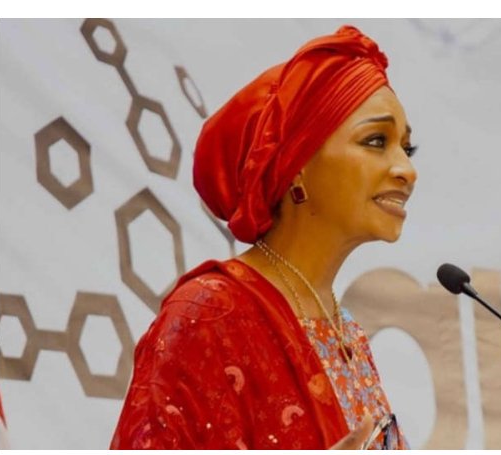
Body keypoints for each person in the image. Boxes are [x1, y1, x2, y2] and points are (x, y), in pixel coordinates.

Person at [109, 25, 417, 450]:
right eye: (376, 141)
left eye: (407, 148)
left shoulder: (346, 331)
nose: (406, 170)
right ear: (297, 162)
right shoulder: (209, 315)